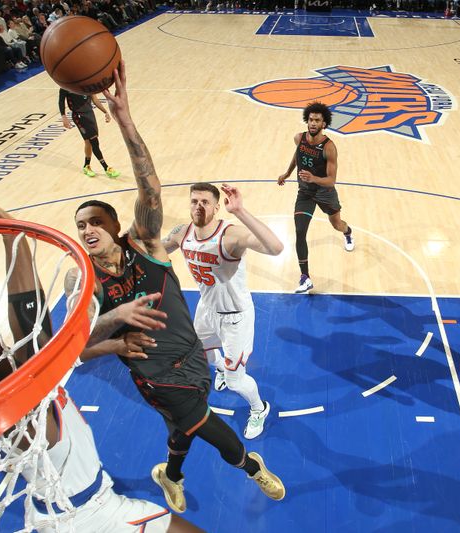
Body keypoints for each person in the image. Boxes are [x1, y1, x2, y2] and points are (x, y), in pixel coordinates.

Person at [0, 175, 201, 533]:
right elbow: (49, 335)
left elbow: (14, 238)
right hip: (92, 517)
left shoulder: (5, 399)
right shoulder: (21, 403)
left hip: (61, 511)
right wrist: (113, 319)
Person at [68, 62, 285, 514]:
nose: (89, 230)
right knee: (202, 422)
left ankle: (171, 474)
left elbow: (150, 189)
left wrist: (125, 122)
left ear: (116, 224)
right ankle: (251, 466)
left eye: (97, 221)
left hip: (196, 346)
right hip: (155, 373)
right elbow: (77, 348)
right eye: (81, 225)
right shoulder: (84, 280)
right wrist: (113, 334)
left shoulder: (148, 244)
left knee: (182, 425)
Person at [162, 182, 283, 439]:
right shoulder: (181, 233)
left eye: (205, 202)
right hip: (206, 309)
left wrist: (240, 211)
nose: (199, 206)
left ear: (217, 207)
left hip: (235, 317)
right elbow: (154, 251)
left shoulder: (230, 235)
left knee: (237, 380)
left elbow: (276, 248)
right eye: (194, 201)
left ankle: (259, 408)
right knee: (201, 353)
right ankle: (220, 369)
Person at [277, 101, 355, 294]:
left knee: (337, 224)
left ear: (324, 124)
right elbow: (298, 156)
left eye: (317, 120)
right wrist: (287, 173)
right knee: (300, 231)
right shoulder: (299, 138)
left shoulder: (329, 147)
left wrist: (314, 178)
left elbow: (331, 180)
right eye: (310, 119)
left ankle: (348, 232)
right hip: (305, 193)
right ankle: (305, 277)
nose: (312, 123)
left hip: (325, 193)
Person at [59, 88, 120, 178]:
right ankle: (106, 168)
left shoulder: (86, 83)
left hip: (89, 114)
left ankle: (86, 166)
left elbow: (94, 99)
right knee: (94, 141)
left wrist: (105, 112)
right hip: (78, 116)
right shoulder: (66, 84)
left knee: (88, 142)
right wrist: (64, 117)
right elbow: (61, 101)